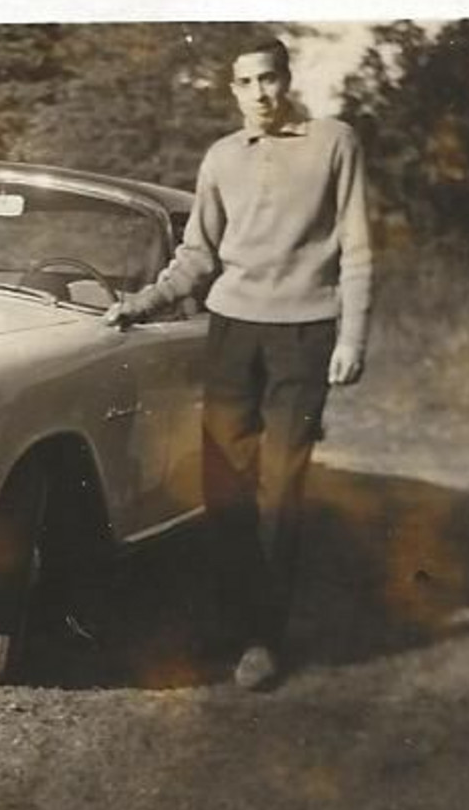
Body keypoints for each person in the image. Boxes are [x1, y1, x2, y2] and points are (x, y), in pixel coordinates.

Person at [105, 37, 373, 690]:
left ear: (287, 81)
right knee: (222, 483)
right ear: (233, 91)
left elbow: (358, 247)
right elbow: (197, 254)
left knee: (280, 487)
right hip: (231, 332)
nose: (259, 93)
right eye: (246, 82)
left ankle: (262, 639)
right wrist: (141, 304)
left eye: (269, 79)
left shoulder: (333, 142)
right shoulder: (221, 158)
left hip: (304, 335)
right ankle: (229, 619)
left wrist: (351, 338)